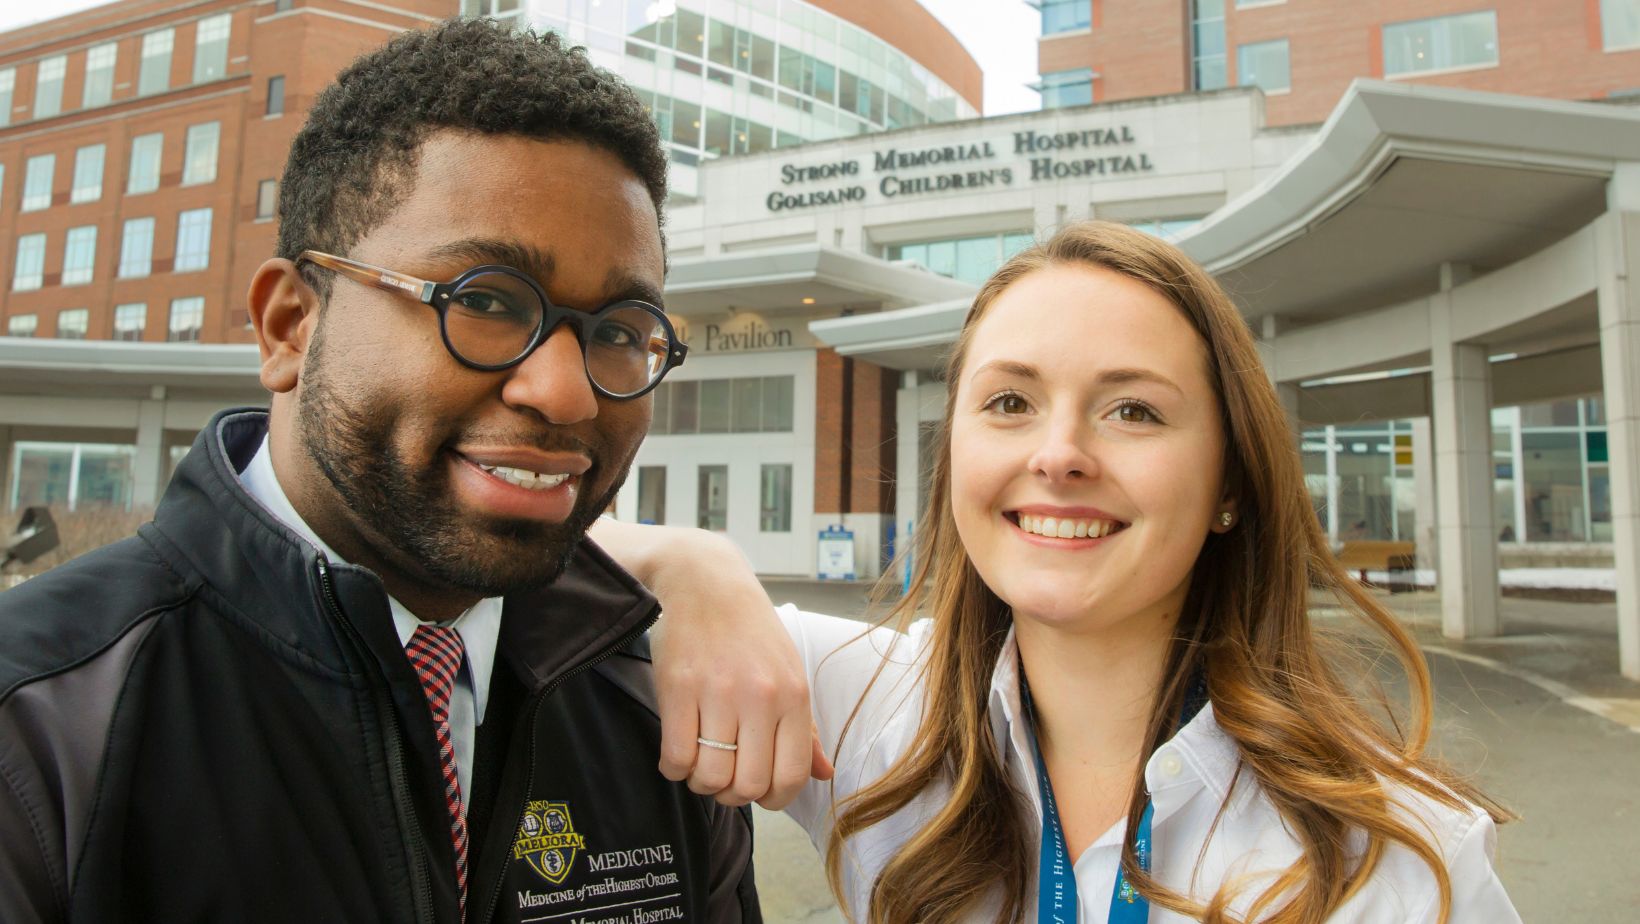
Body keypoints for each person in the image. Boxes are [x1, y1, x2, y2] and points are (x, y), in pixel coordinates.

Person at [0, 20, 817, 923]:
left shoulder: (656, 698)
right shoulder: (41, 724)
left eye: (620, 331)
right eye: (486, 301)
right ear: (289, 325)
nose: (565, 393)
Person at [670, 222, 1519, 921]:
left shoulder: (1407, 861)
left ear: (1229, 480)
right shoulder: (860, 706)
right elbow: (561, 574)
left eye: (1133, 410)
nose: (1060, 454)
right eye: (1010, 402)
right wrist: (695, 564)